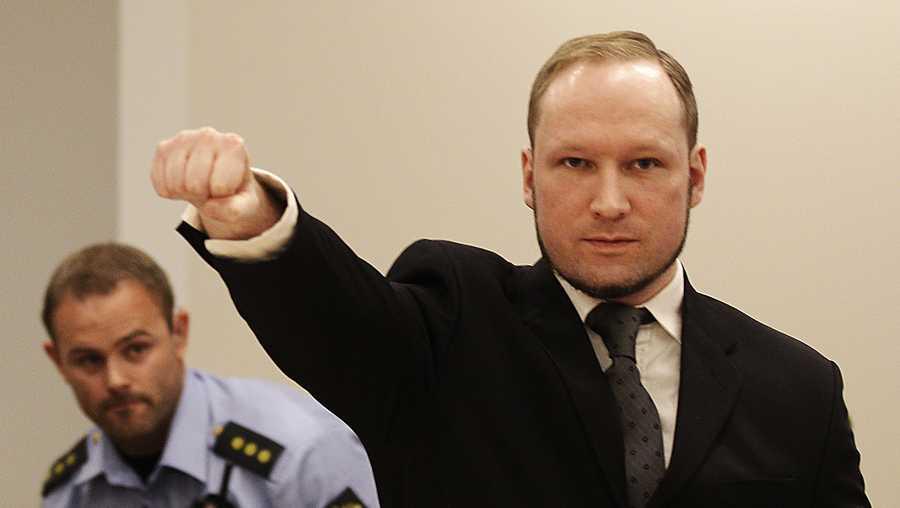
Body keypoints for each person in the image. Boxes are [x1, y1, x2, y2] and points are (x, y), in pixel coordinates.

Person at [151, 31, 869, 507]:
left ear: (697, 176)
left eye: (644, 164)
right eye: (575, 163)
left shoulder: (799, 390)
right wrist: (250, 217)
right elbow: (336, 318)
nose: (609, 202)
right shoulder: (453, 322)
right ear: (529, 176)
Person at [40, 243, 379, 507]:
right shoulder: (69, 492)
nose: (115, 379)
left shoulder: (301, 452)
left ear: (179, 333)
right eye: (89, 361)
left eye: (136, 349)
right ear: (58, 362)